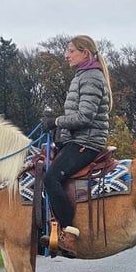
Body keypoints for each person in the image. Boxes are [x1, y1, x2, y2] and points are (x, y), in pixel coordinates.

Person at [42, 35, 113, 258]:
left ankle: (68, 236)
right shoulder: (82, 75)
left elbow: (85, 116)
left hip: (87, 142)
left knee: (51, 178)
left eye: (71, 50)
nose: (66, 54)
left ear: (85, 53)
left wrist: (56, 122)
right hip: (76, 139)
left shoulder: (91, 77)